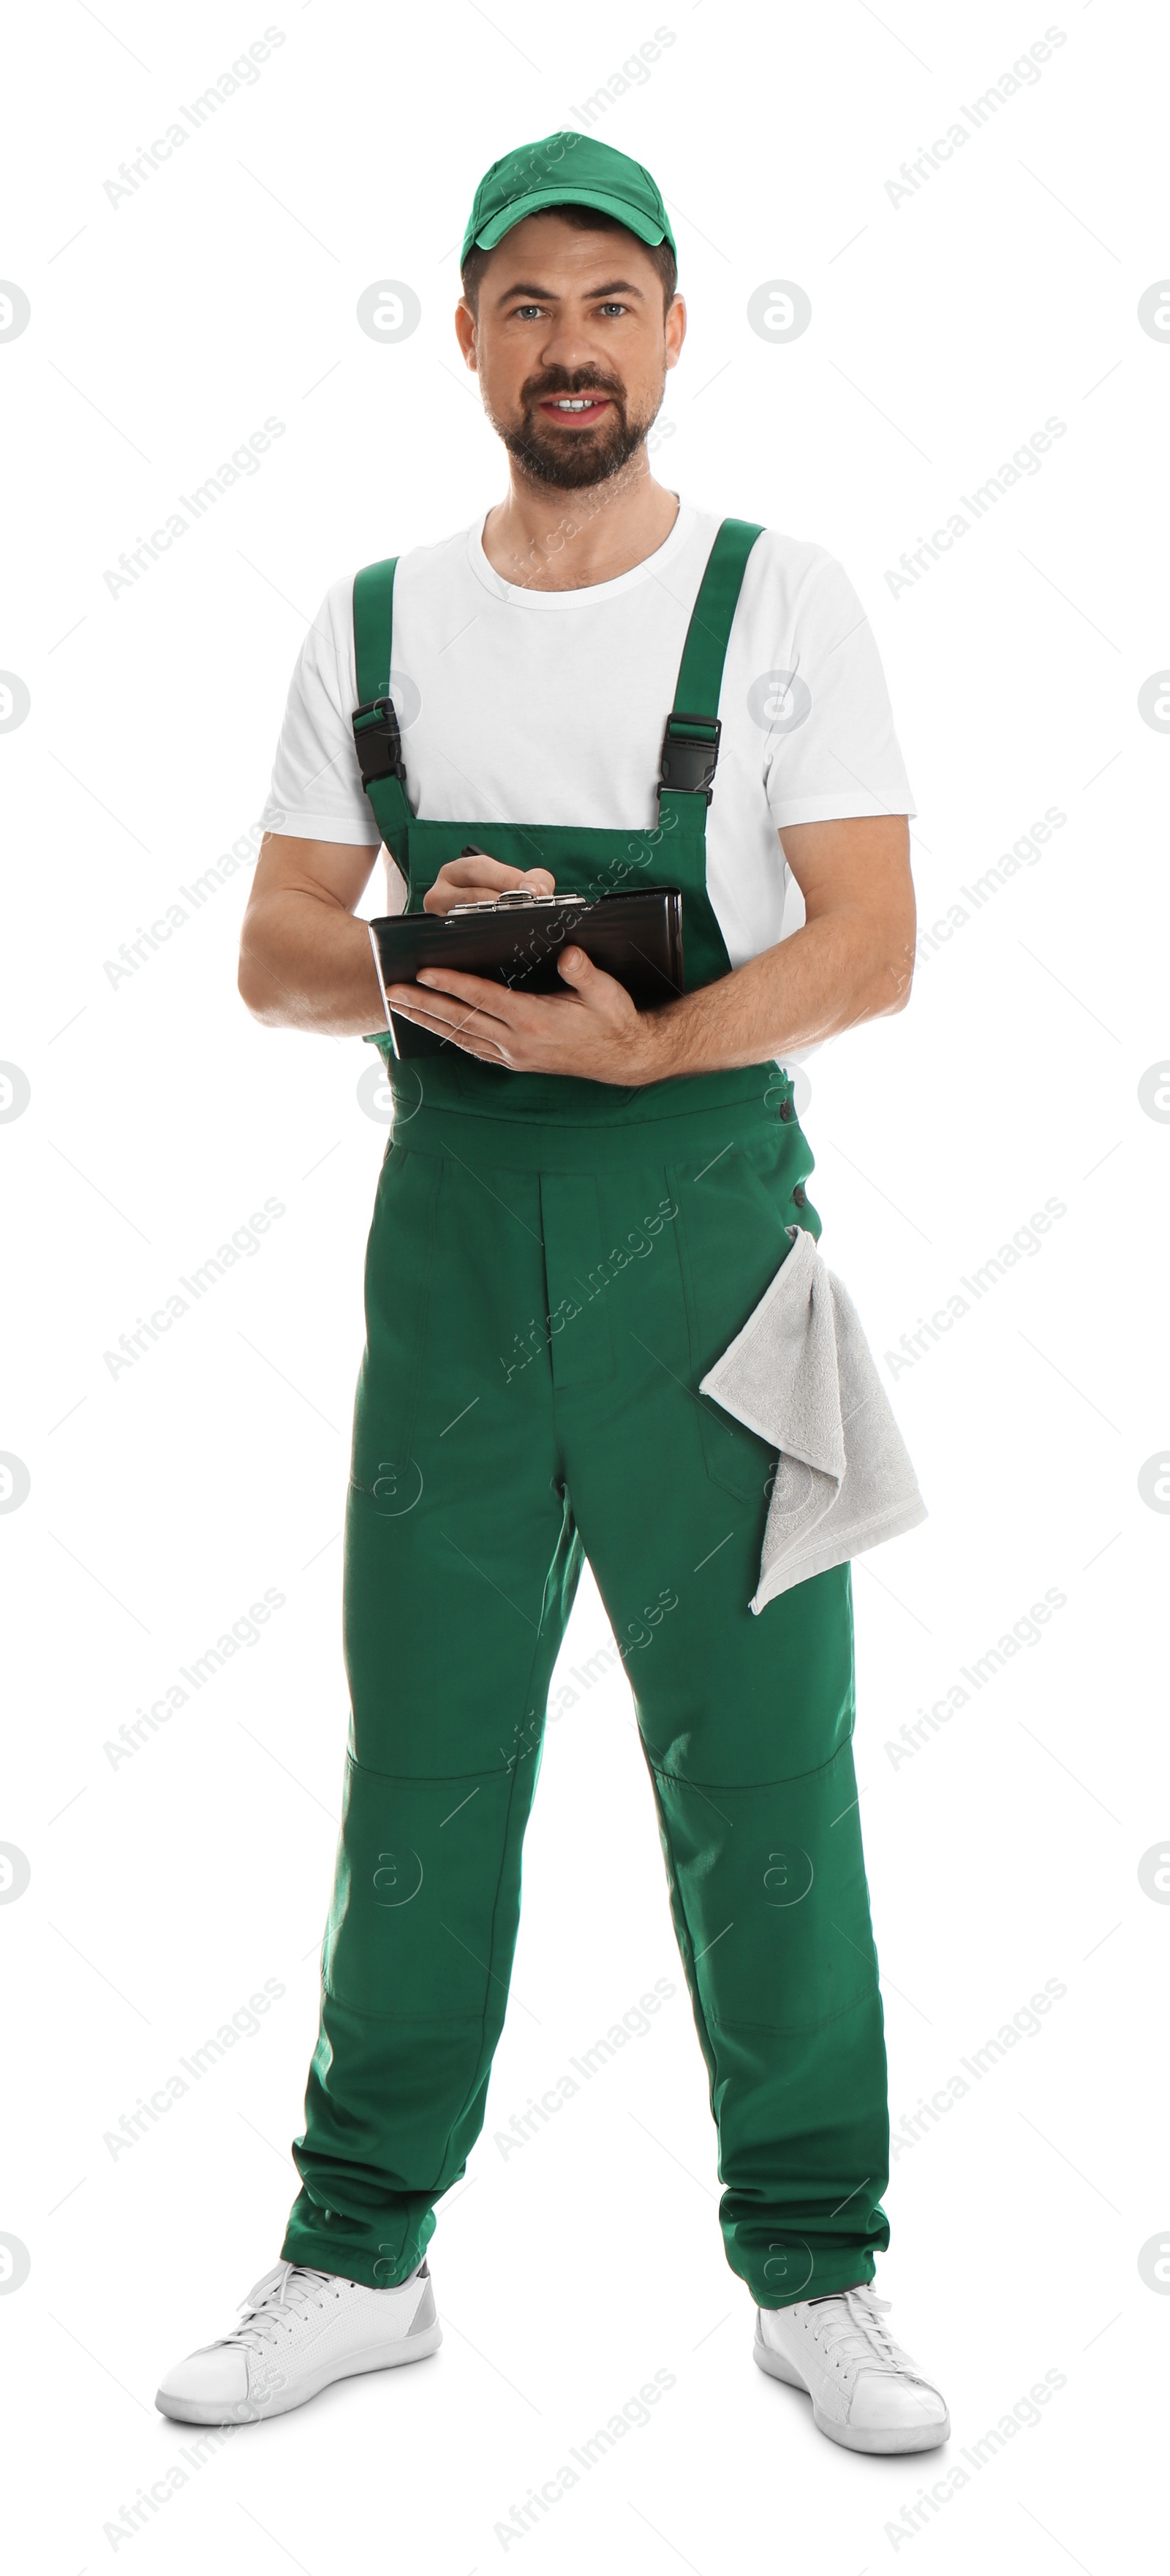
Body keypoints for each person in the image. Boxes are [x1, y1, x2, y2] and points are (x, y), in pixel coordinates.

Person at [156, 129, 949, 2458]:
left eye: (612, 302)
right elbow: (277, 950)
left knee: (765, 1767)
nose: (570, 345)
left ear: (676, 328)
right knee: (423, 1759)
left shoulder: (785, 600)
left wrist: (648, 1036)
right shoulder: (374, 621)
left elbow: (872, 943)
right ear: (470, 331)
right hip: (453, 1263)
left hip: (715, 1244)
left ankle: (823, 2266)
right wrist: (433, 939)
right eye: (527, 304)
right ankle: (357, 2249)